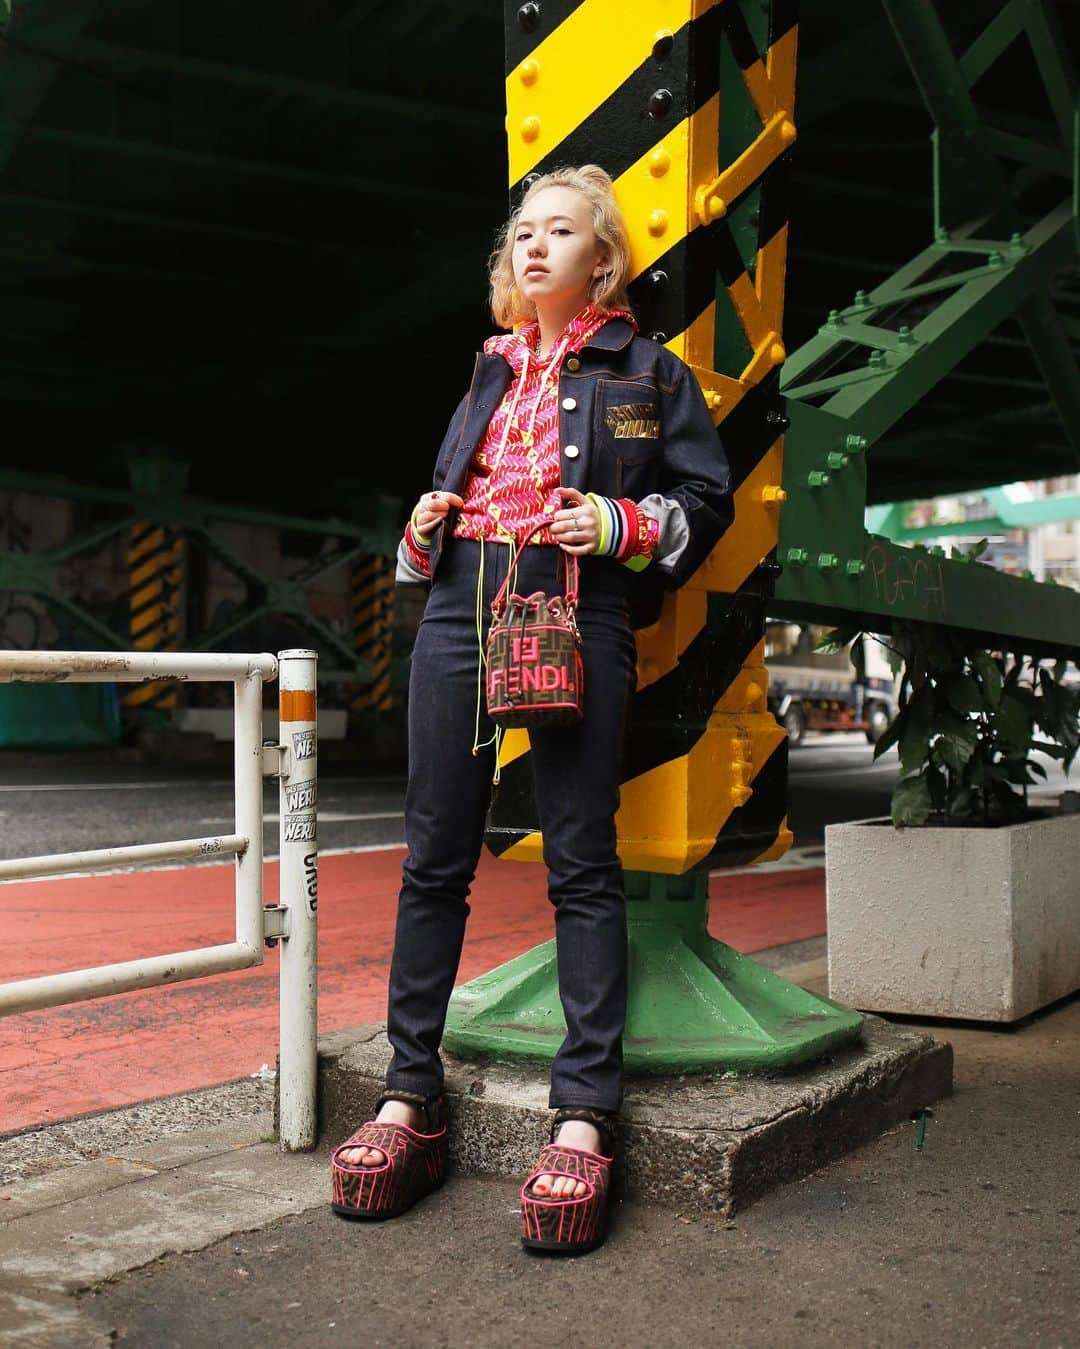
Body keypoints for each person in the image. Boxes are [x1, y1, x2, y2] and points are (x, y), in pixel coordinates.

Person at [331, 164, 733, 1254]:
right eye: (523, 233)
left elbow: (707, 503)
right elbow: (433, 532)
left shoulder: (652, 374)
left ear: (602, 258)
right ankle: (411, 1092)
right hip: (462, 609)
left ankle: (585, 1110)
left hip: (578, 606)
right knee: (432, 857)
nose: (537, 247)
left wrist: (613, 522)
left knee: (580, 859)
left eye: (562, 232)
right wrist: (421, 530)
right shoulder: (487, 373)